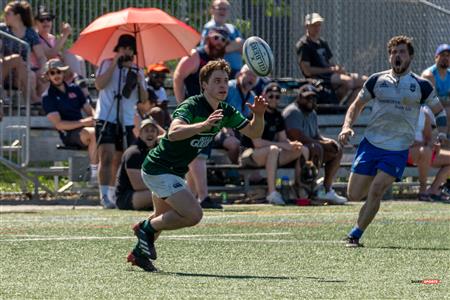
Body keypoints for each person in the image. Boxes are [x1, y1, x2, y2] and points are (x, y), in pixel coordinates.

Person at [127, 59, 267, 272]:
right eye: (216, 81)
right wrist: (203, 125)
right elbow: (173, 133)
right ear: (204, 85)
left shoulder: (226, 111)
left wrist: (259, 114)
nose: (222, 85)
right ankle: (143, 228)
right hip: (158, 169)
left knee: (160, 218)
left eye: (225, 80)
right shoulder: (192, 105)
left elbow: (254, 133)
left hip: (172, 171)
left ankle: (138, 254)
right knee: (193, 215)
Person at [338, 35, 449, 247]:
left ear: (410, 57)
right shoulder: (376, 80)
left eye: (402, 52)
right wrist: (346, 126)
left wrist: (441, 134)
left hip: (397, 149)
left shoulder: (421, 85)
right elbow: (356, 106)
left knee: (377, 189)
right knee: (354, 194)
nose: (397, 56)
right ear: (389, 57)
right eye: (393, 52)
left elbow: (439, 112)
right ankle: (363, 212)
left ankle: (355, 234)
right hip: (371, 145)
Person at [173, 26, 229, 209]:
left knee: (196, 156)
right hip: (194, 112)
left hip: (208, 112)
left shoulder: (218, 62)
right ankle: (203, 197)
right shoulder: (195, 55)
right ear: (206, 38)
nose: (220, 42)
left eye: (223, 39)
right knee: (198, 156)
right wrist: (182, 104)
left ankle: (190, 198)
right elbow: (178, 77)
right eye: (216, 38)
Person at [94, 34, 148, 208]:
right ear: (118, 49)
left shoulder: (137, 70)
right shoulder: (106, 63)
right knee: (107, 156)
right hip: (106, 116)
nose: (127, 51)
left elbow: (144, 99)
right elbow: (99, 85)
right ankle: (103, 195)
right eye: (124, 48)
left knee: (120, 158)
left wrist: (140, 81)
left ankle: (113, 193)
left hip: (126, 120)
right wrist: (114, 63)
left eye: (130, 49)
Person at [240, 82, 308, 205]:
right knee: (274, 149)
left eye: (277, 96)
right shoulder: (256, 113)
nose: (274, 99)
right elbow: (257, 143)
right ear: (263, 96)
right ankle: (272, 193)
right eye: (271, 96)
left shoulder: (277, 115)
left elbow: (283, 140)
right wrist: (284, 145)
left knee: (302, 149)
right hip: (248, 154)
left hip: (269, 153)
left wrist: (292, 144)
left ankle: (299, 187)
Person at [283, 84, 347, 205]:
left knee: (336, 149)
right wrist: (321, 143)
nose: (310, 101)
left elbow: (315, 135)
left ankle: (326, 189)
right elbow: (296, 137)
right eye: (307, 98)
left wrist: (328, 141)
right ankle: (310, 189)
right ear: (299, 97)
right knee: (316, 147)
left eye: (313, 98)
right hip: (293, 150)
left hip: (310, 147)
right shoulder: (293, 111)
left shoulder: (312, 113)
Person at [41, 58, 98, 183]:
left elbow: (89, 110)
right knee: (93, 133)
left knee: (106, 131)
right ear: (48, 76)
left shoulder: (75, 89)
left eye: (58, 72)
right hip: (68, 134)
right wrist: (84, 122)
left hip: (83, 129)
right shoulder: (47, 97)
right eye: (52, 73)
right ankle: (95, 175)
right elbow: (59, 125)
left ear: (63, 73)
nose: (56, 75)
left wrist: (96, 118)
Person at [295, 12, 367, 105]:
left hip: (330, 74)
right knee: (348, 82)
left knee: (365, 81)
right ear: (307, 26)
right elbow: (307, 71)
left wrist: (338, 68)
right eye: (314, 25)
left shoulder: (322, 42)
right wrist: (329, 70)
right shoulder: (303, 45)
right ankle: (337, 106)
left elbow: (327, 62)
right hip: (318, 77)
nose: (317, 28)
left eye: (318, 25)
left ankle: (348, 108)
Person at [1, 0, 47, 103]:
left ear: (18, 16)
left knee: (44, 77)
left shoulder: (30, 32)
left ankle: (41, 107)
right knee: (29, 74)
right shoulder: (2, 30)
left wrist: (42, 70)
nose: (4, 16)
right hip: (6, 68)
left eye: (8, 13)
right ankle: (33, 100)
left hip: (24, 69)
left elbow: (41, 57)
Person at [115, 118, 162, 211]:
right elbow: (138, 186)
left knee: (176, 190)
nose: (150, 133)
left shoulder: (159, 152)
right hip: (127, 197)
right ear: (140, 134)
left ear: (157, 134)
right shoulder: (133, 153)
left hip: (149, 191)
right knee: (166, 192)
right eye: (146, 131)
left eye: (153, 131)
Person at [408, 106, 450, 202]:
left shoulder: (424, 114)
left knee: (426, 151)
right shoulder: (400, 111)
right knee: (425, 151)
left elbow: (428, 138)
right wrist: (419, 144)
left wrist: (434, 144)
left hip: (423, 149)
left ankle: (433, 190)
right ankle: (422, 189)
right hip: (404, 151)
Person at [34, 5, 86, 78]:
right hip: (44, 69)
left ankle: (81, 85)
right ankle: (78, 84)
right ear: (35, 23)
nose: (46, 22)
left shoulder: (52, 38)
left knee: (79, 59)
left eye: (48, 19)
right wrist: (64, 35)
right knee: (69, 55)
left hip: (56, 67)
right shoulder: (35, 38)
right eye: (41, 20)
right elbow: (50, 55)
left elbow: (59, 54)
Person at [201, 0, 243, 78]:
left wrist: (225, 47)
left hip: (237, 72)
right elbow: (209, 50)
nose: (223, 11)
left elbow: (242, 48)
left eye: (226, 8)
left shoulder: (232, 28)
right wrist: (235, 45)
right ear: (212, 10)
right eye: (220, 8)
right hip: (219, 72)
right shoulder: (209, 27)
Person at [145, 62, 172, 128]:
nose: (160, 79)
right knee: (157, 111)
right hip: (142, 117)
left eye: (163, 76)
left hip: (157, 120)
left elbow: (164, 109)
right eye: (156, 75)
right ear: (149, 75)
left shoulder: (161, 89)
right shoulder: (143, 85)